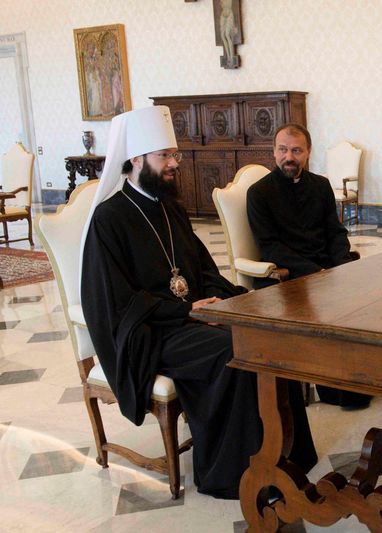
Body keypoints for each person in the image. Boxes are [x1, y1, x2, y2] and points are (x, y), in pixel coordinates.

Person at [80, 106, 318, 500]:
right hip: (151, 333)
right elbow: (117, 303)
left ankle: (289, 454)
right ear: (136, 160)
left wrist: (235, 300)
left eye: (174, 155)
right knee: (235, 350)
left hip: (190, 314)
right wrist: (185, 310)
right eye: (165, 157)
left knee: (268, 328)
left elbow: (201, 269)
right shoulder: (108, 220)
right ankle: (234, 473)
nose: (175, 164)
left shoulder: (169, 206)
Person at [247, 123, 370, 408]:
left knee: (364, 301)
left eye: (296, 150)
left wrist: (341, 267)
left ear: (308, 152)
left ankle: (359, 380)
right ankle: (333, 389)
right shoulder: (259, 193)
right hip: (289, 275)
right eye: (282, 150)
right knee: (328, 307)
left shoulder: (320, 185)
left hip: (327, 269)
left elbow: (335, 232)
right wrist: (316, 274)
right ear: (274, 151)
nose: (289, 157)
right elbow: (270, 246)